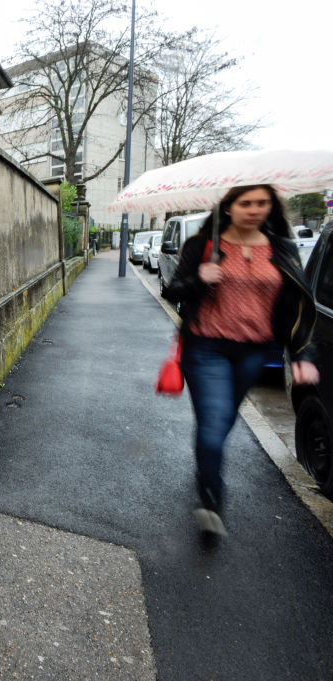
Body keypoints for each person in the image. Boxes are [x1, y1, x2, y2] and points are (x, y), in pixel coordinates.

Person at [161, 184, 318, 537]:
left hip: (254, 351)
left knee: (223, 421)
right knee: (214, 421)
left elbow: (299, 307)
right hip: (206, 347)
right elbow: (173, 290)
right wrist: (199, 279)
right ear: (228, 208)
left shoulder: (282, 249)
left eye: (262, 202)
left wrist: (302, 354)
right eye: (245, 202)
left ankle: (206, 465)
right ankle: (211, 496)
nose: (254, 209)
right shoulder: (203, 246)